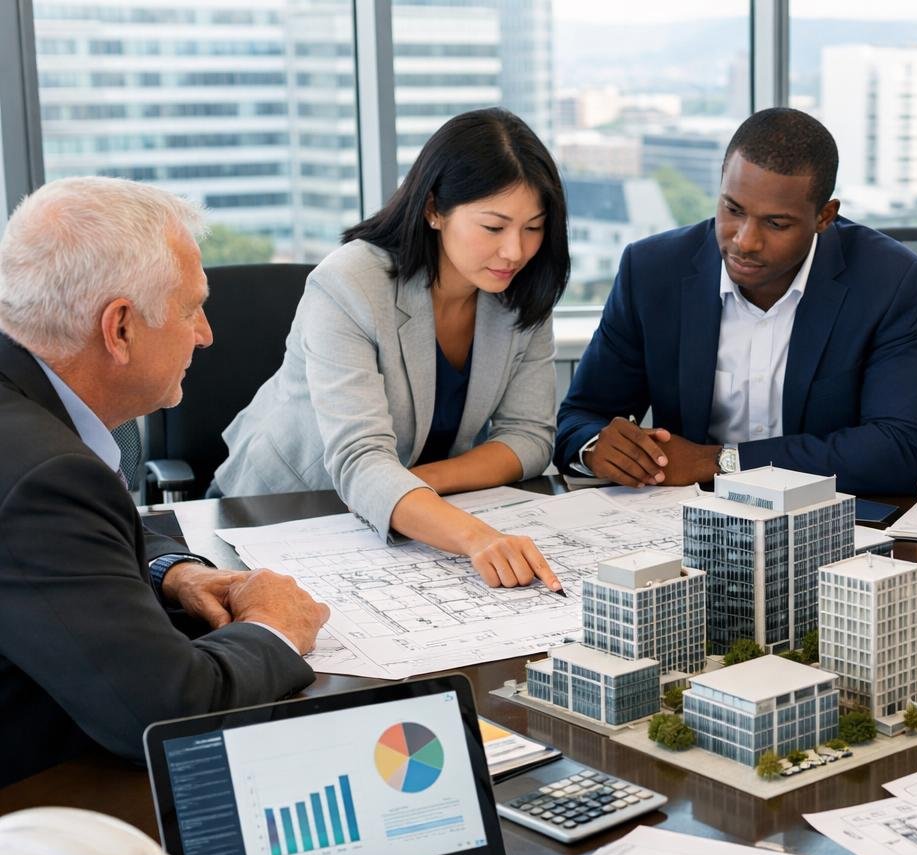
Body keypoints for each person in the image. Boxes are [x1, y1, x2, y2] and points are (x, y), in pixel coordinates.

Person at [0, 176, 329, 787]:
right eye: (190, 309)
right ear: (120, 328)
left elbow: (75, 531)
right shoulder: (45, 476)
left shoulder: (28, 412)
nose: (205, 333)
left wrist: (172, 572)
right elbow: (169, 713)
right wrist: (275, 627)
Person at [215, 108, 568, 591]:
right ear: (434, 209)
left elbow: (529, 438)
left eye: (533, 227)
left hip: (410, 519)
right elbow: (360, 459)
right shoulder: (349, 284)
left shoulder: (521, 291)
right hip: (282, 513)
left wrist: (417, 485)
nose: (516, 251)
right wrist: (474, 536)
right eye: (494, 227)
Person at [554, 107, 917, 494]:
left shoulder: (890, 281)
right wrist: (597, 448)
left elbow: (905, 448)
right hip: (684, 517)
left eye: (776, 223)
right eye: (733, 210)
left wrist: (719, 461)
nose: (745, 241)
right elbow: (581, 417)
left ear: (824, 216)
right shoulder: (652, 271)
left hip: (828, 518)